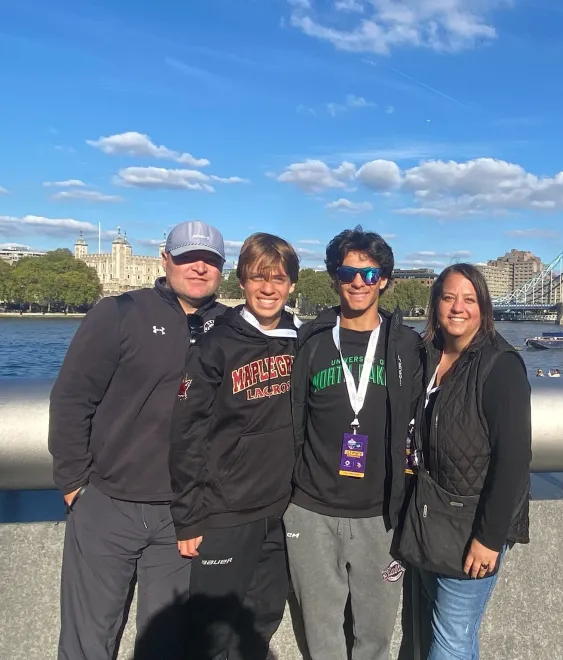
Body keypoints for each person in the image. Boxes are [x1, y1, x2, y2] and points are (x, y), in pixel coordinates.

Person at [48, 220, 226, 660]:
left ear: (223, 269)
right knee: (87, 641)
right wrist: (75, 486)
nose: (199, 268)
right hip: (108, 504)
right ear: (166, 260)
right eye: (187, 258)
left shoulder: (231, 326)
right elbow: (72, 398)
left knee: (165, 644)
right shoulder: (119, 312)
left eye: (210, 260)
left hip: (182, 517)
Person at [283, 226, 422, 660]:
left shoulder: (407, 347)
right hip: (311, 510)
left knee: (375, 638)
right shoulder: (312, 341)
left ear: (384, 280)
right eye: (347, 273)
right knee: (321, 638)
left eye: (368, 273)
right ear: (334, 278)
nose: (357, 283)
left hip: (380, 516)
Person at [168, 233, 300, 659]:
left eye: (278, 279)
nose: (268, 288)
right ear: (241, 281)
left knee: (261, 624)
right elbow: (187, 432)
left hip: (281, 512)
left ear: (292, 285)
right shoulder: (215, 343)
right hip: (225, 513)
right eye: (258, 278)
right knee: (213, 638)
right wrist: (188, 517)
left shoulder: (303, 340)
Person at [414, 264, 531, 659]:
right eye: (448, 297)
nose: (458, 307)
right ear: (436, 305)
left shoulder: (501, 366)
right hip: (431, 517)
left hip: (473, 526)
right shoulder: (427, 355)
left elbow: (514, 460)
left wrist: (490, 537)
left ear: (484, 307)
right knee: (454, 636)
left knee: (450, 641)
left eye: (469, 299)